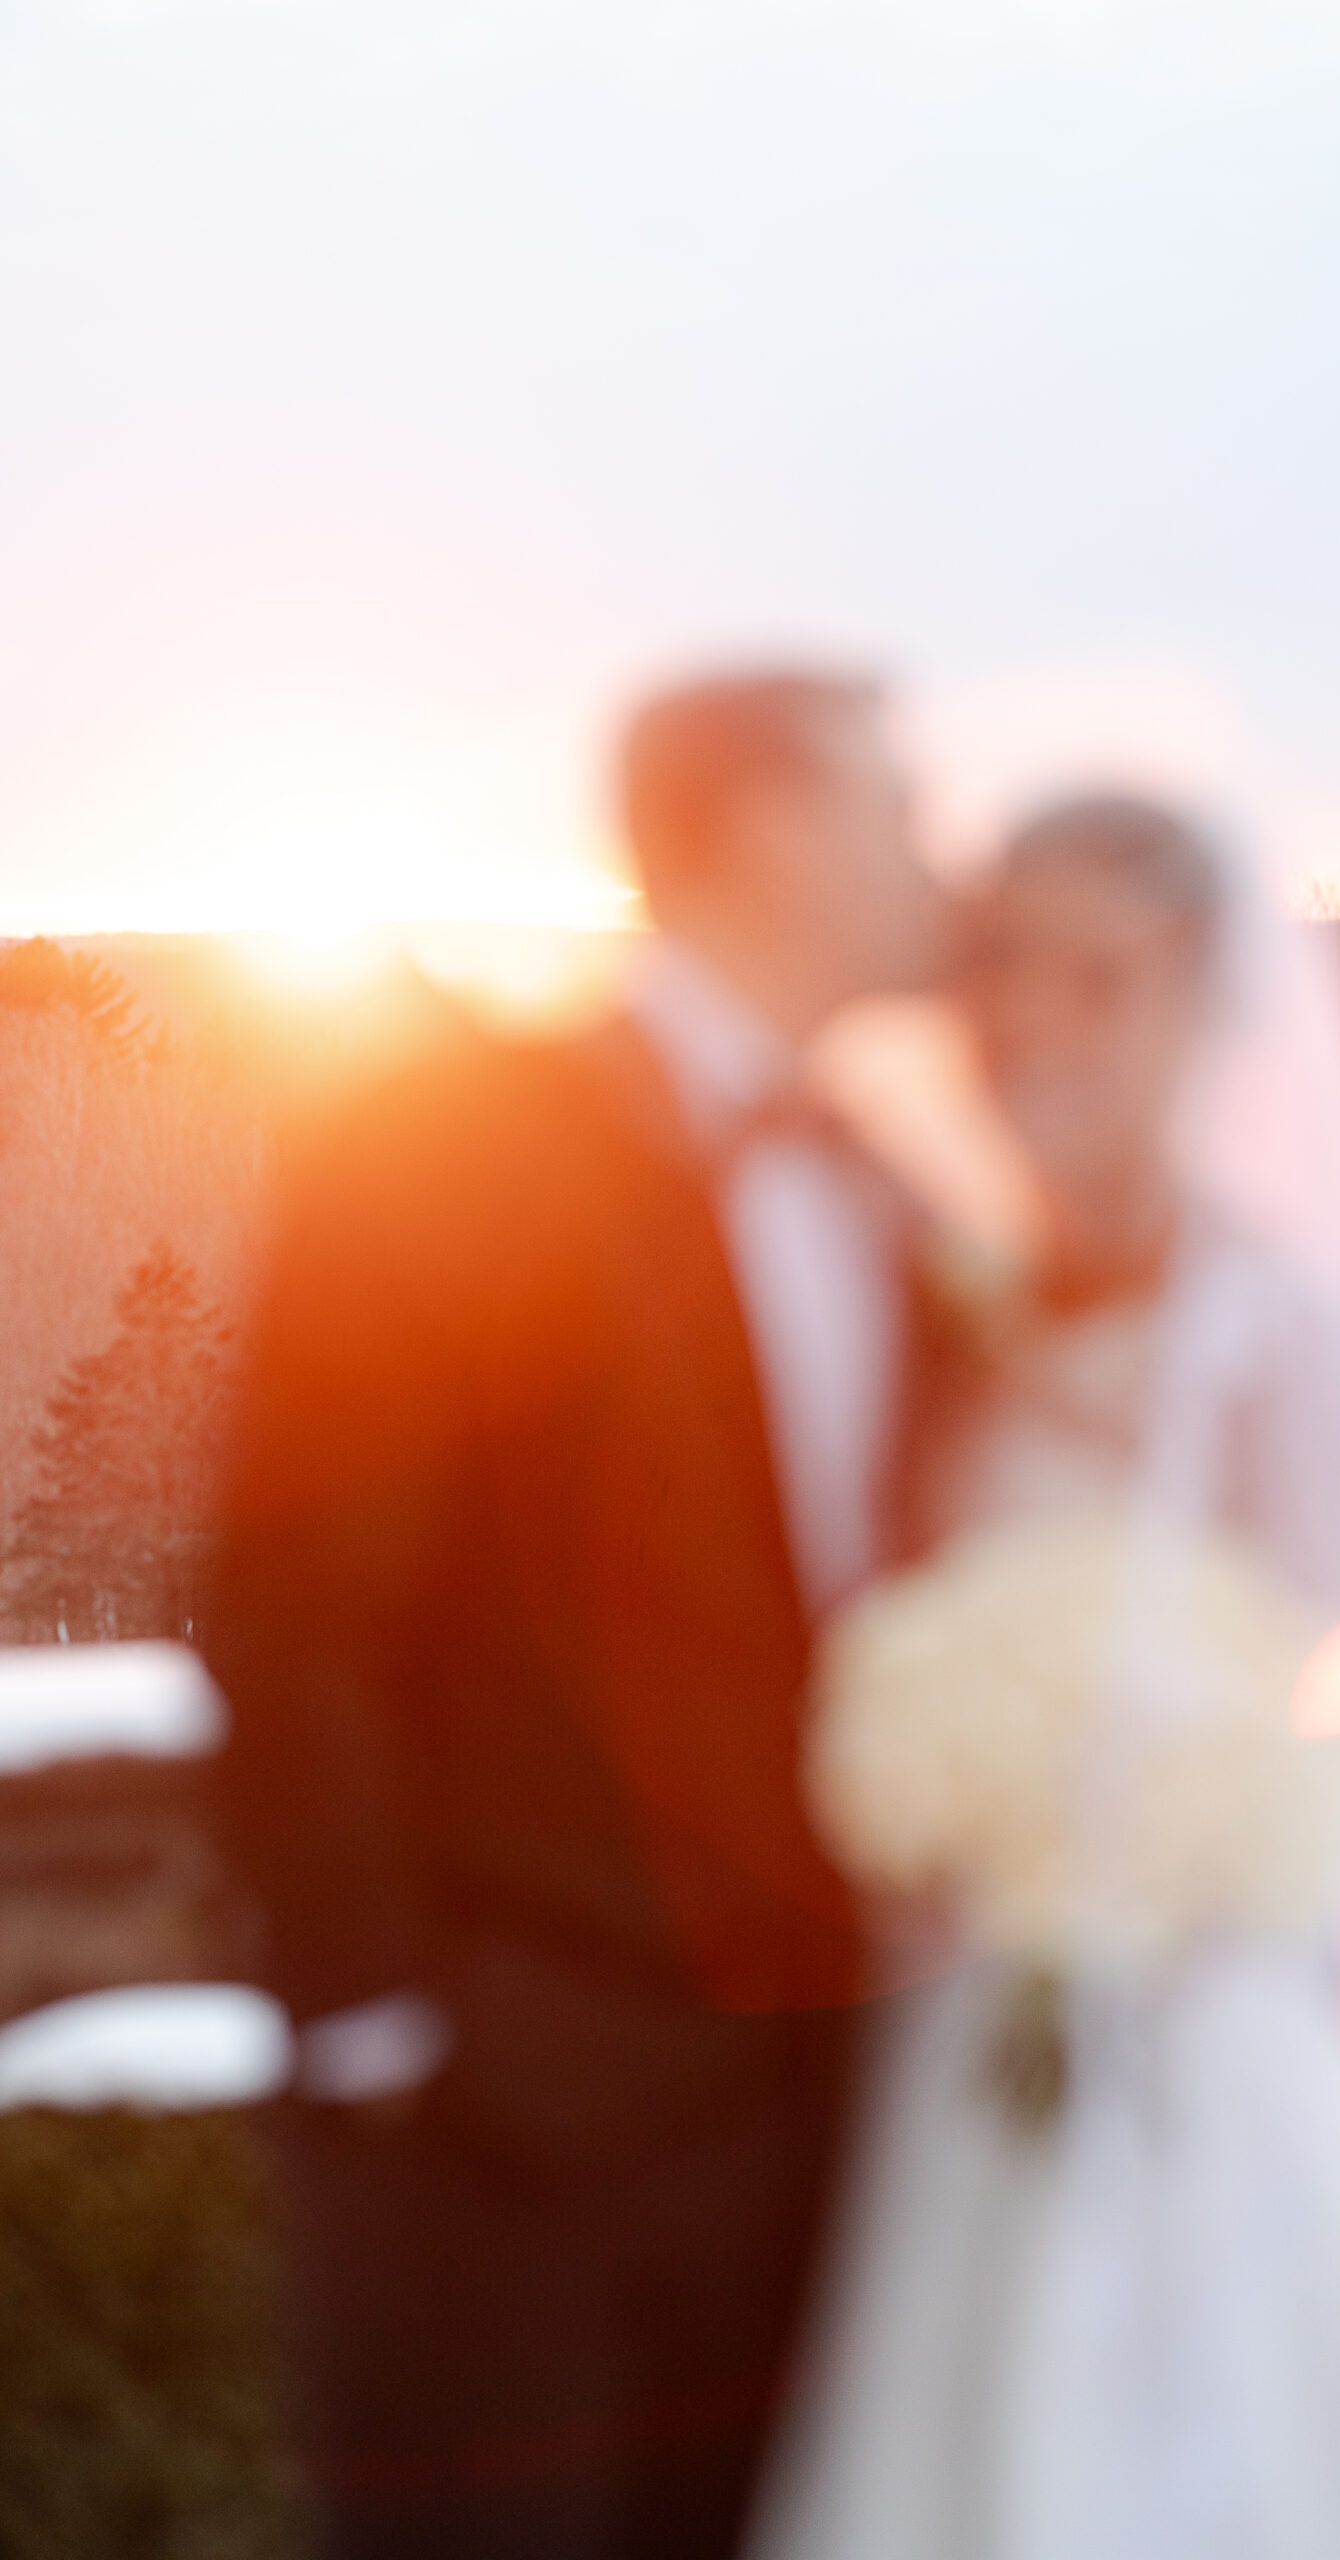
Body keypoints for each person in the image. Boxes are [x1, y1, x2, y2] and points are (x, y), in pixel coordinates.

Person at [748, 795, 1340, 2560]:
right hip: (956, 2061)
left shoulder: (1283, 1331)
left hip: (1227, 2043)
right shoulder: (943, 1311)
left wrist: (1212, 1808)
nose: (1035, 1014)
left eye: (1099, 975)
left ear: (1204, 1011)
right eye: (998, 964)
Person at [203, 670, 944, 2557]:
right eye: (889, 808)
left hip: (856, 2123)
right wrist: (390, 2030)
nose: (927, 854)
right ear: (766, 831)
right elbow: (297, 1600)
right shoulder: (450, 1140)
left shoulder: (899, 1175)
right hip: (524, 2129)